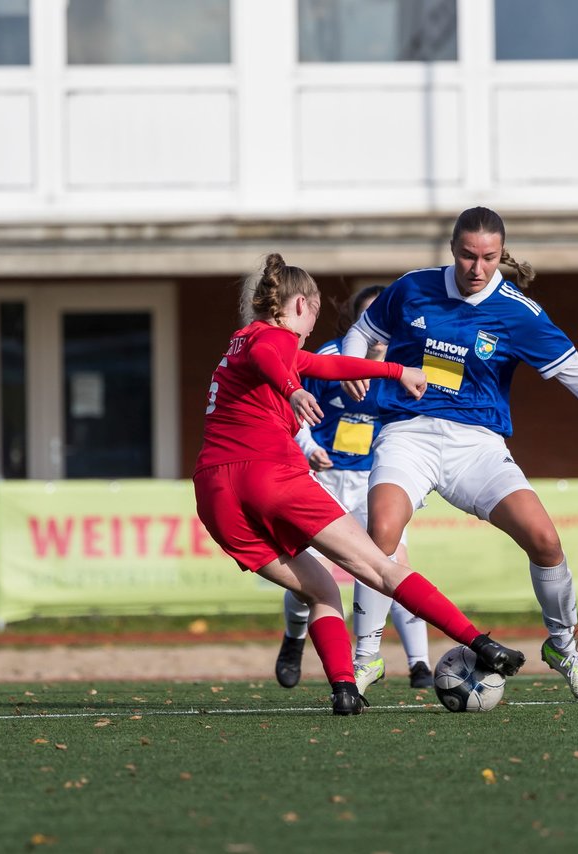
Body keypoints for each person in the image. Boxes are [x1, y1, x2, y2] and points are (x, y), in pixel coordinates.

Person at [340, 207, 578, 704]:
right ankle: (366, 659)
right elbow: (363, 330)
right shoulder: (411, 287)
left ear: (500, 256)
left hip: (478, 446)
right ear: (453, 250)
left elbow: (574, 372)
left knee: (545, 540)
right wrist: (353, 364)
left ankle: (564, 648)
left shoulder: (518, 312)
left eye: (489, 258)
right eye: (468, 255)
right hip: (409, 433)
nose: (477, 268)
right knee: (380, 533)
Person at [193, 252, 525, 715]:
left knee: (320, 590)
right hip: (269, 473)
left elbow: (326, 367)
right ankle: (482, 644)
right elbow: (277, 355)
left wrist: (394, 370)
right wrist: (294, 391)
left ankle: (345, 689)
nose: (310, 330)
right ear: (302, 306)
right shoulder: (273, 338)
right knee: (383, 569)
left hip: (215, 494)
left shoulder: (242, 340)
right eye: (311, 316)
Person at [275, 286, 433, 693]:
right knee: (307, 571)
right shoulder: (328, 357)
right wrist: (308, 446)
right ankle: (293, 640)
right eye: (370, 323)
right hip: (322, 478)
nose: (378, 336)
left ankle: (419, 664)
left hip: (370, 480)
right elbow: (292, 403)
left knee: (392, 563)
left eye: (386, 325)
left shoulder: (403, 366)